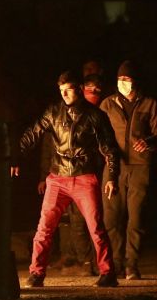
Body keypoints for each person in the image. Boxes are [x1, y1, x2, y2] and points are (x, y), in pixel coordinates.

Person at [17, 71, 120, 288]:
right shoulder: (54, 112)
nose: (64, 94)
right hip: (58, 177)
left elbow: (110, 149)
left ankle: (108, 272)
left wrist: (111, 177)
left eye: (68, 89)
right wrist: (14, 157)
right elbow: (32, 134)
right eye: (61, 90)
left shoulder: (95, 116)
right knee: (44, 227)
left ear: (79, 89)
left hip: (84, 177)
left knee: (96, 227)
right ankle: (36, 273)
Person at [99, 60, 157, 280]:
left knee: (135, 219)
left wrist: (148, 141)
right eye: (120, 80)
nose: (123, 83)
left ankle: (131, 265)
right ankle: (116, 264)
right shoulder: (108, 104)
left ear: (135, 81)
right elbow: (98, 133)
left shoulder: (149, 104)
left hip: (139, 167)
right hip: (114, 167)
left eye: (127, 79)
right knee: (111, 219)